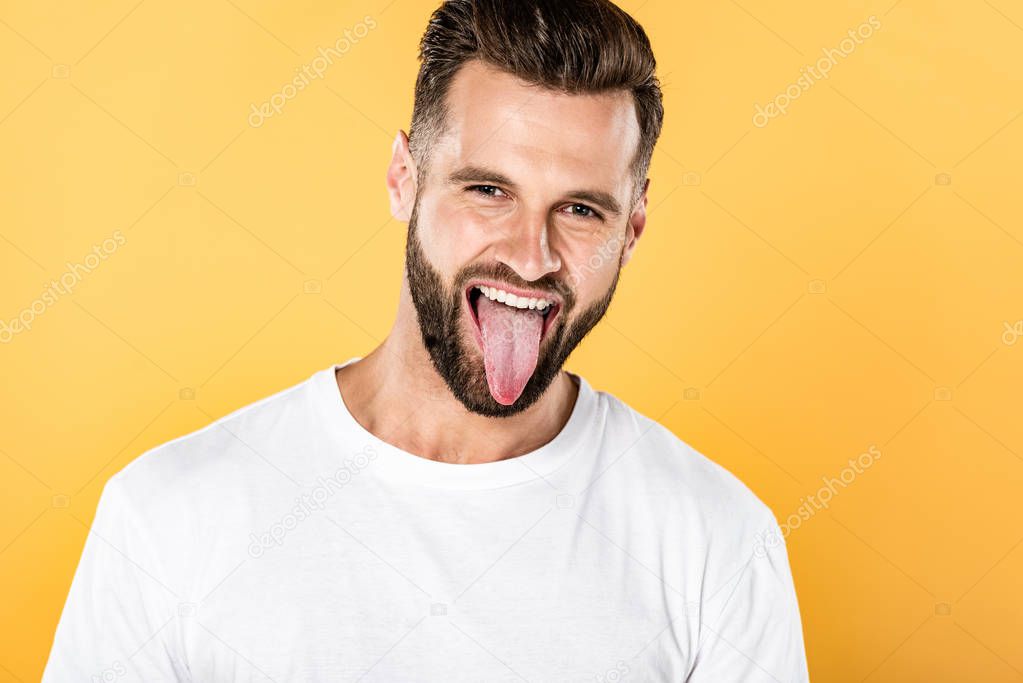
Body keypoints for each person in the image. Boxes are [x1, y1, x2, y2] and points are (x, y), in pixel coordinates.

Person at [43, 0, 809, 680]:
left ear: (631, 229)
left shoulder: (717, 542)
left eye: (580, 210)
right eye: (488, 189)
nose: (531, 254)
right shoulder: (170, 516)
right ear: (403, 178)